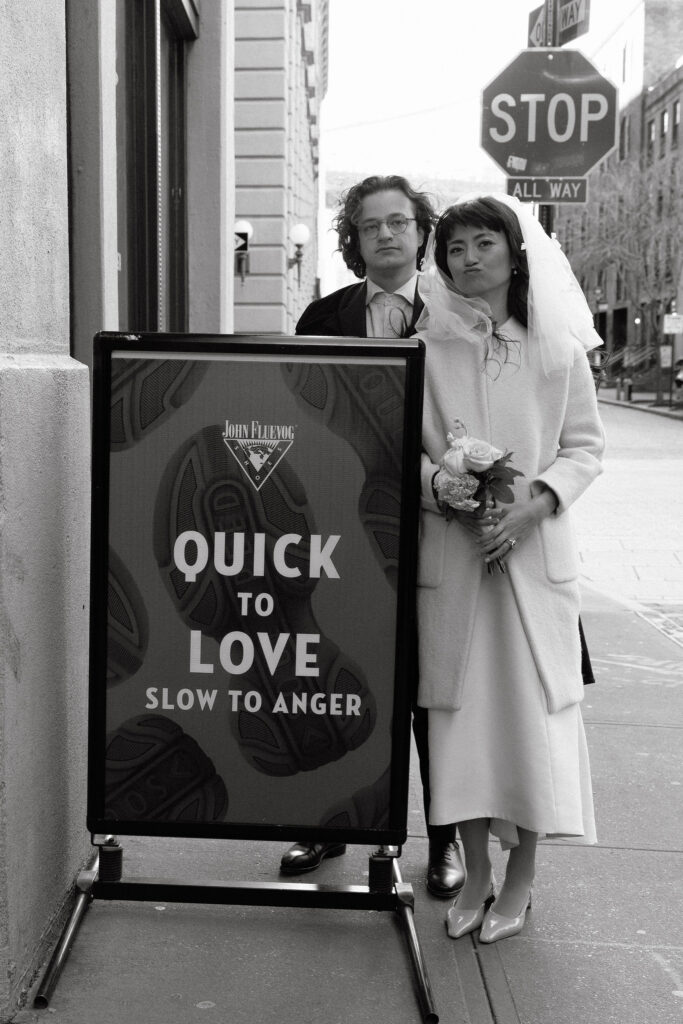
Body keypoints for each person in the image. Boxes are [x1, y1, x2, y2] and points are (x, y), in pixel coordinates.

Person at [416, 194, 604, 943]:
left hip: (530, 568)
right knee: (459, 730)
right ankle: (475, 877)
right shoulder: (427, 349)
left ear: (514, 251)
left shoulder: (555, 344)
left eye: (482, 241)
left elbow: (584, 447)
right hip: (456, 564)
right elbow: (412, 454)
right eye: (454, 246)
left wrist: (535, 504)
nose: (467, 257)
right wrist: (446, 486)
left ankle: (520, 881)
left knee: (528, 732)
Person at [280, 174, 465, 898]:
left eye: (399, 222)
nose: (385, 235)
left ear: (422, 232)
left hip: (435, 528)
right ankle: (326, 823)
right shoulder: (322, 314)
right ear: (351, 241)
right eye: (369, 226)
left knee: (428, 690)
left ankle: (444, 840)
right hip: (342, 528)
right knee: (336, 676)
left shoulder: (458, 314)